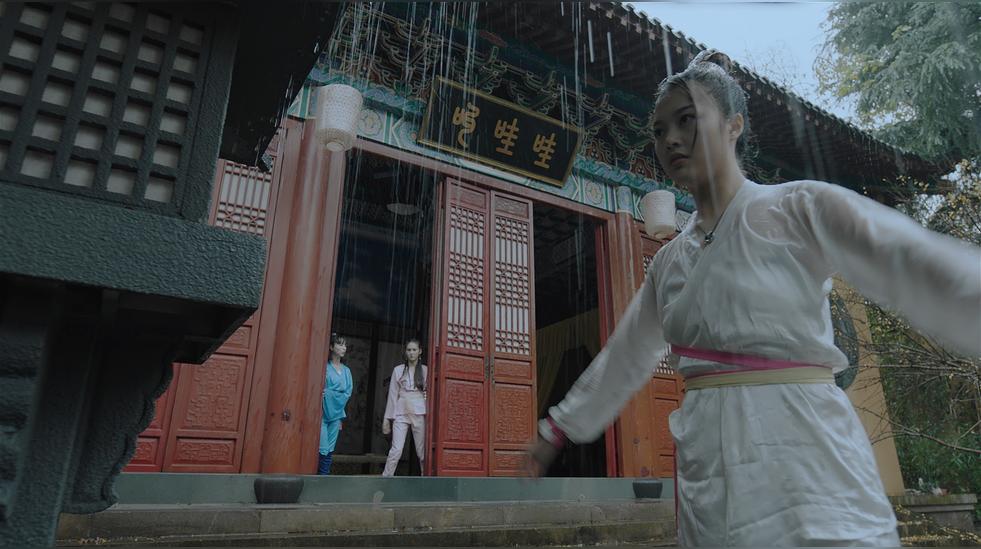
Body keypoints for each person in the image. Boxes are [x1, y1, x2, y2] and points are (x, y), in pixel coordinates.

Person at [526, 49, 981, 547]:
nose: (671, 139)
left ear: (733, 125)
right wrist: (558, 429)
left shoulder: (799, 207)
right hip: (710, 465)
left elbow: (917, 262)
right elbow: (627, 354)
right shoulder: (668, 262)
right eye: (659, 130)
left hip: (803, 445)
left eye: (687, 119)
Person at [381, 339, 428, 476]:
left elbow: (430, 394)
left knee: (422, 452)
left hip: (419, 412)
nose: (411, 353)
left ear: (420, 351)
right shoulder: (398, 370)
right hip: (401, 412)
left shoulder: (425, 370)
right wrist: (387, 419)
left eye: (414, 350)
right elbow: (392, 395)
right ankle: (386, 478)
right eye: (409, 350)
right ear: (405, 352)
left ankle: (426, 478)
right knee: (396, 450)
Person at [319, 333, 353, 475]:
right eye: (340, 344)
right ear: (331, 347)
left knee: (330, 449)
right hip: (321, 412)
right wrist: (326, 393)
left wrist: (329, 393)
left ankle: (324, 477)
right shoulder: (324, 367)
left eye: (345, 345)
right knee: (322, 447)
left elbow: (348, 392)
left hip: (337, 413)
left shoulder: (347, 371)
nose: (343, 348)